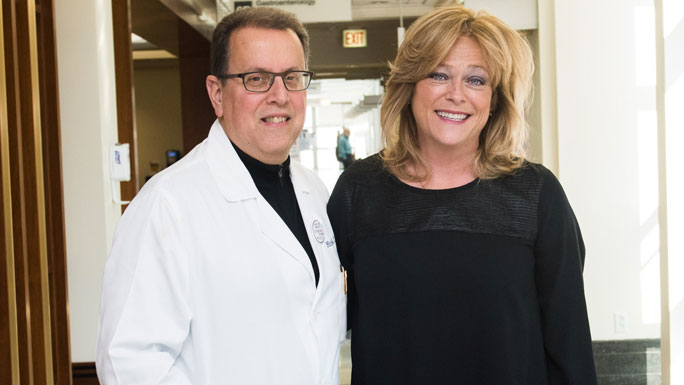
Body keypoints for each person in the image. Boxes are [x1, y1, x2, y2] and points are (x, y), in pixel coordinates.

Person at [327, 5, 597, 385]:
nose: (456, 94)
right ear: (410, 86)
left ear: (495, 99)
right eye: (439, 75)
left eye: (476, 80)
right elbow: (319, 322)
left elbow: (569, 343)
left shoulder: (536, 195)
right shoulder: (359, 192)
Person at [96, 7, 346, 385]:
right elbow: (128, 362)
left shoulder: (314, 190)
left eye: (292, 77)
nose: (279, 95)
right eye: (257, 78)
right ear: (217, 93)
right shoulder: (168, 204)